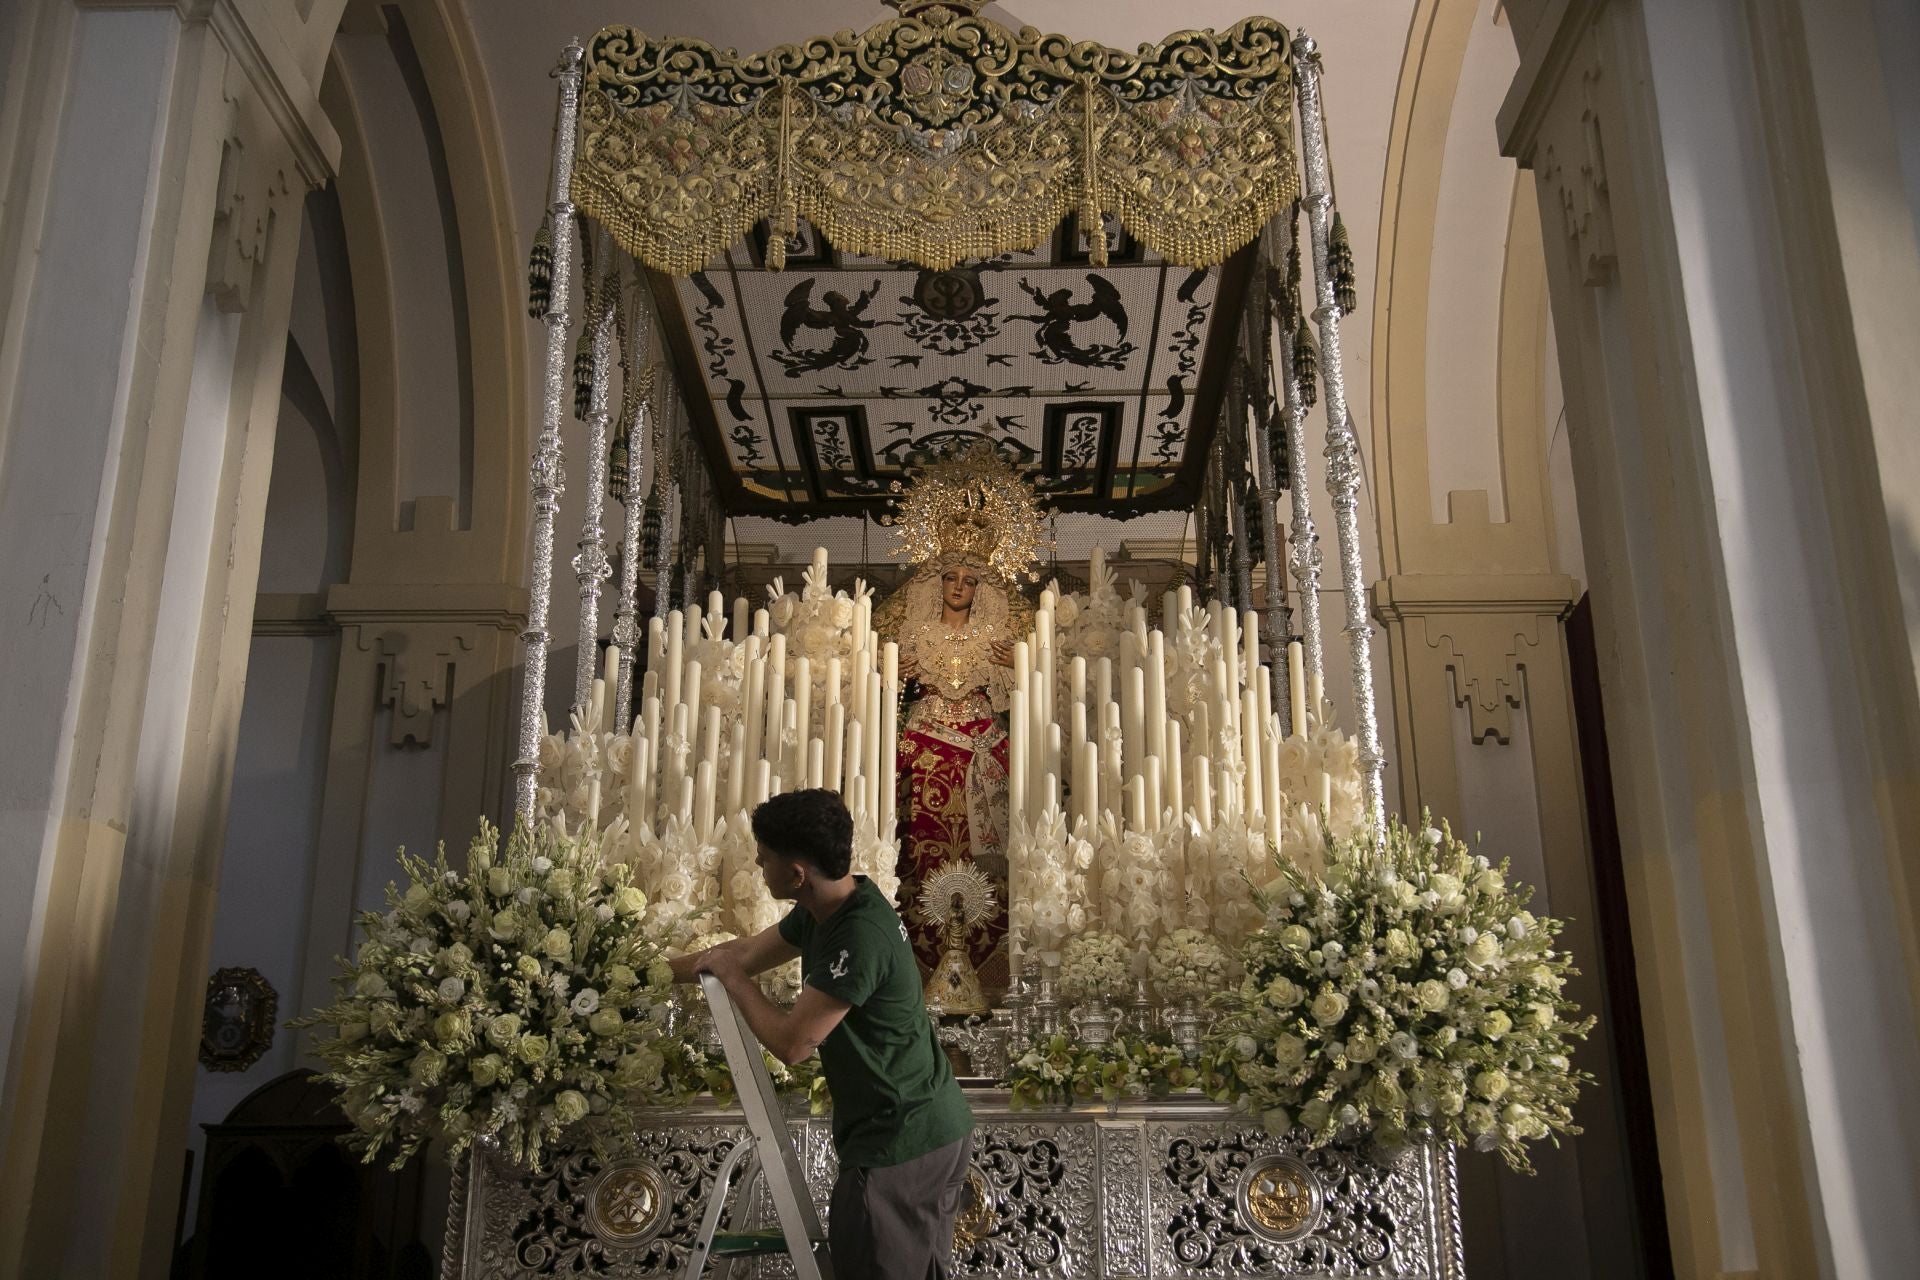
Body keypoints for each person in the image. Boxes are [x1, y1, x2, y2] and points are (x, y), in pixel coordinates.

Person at [673, 788, 975, 1279]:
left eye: (764, 855)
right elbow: (744, 952)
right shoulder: (829, 904)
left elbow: (794, 1044)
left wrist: (734, 982)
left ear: (797, 874)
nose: (756, 861)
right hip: (920, 1132)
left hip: (902, 1139)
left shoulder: (859, 936)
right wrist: (649, 972)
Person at [888, 561, 1017, 980]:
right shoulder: (914, 635)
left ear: (982, 589)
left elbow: (1023, 696)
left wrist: (1023, 663)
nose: (959, 586)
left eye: (970, 580)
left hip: (983, 746)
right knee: (917, 841)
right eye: (950, 577)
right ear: (936, 583)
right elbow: (891, 689)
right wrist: (889, 669)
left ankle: (987, 952)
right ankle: (919, 955)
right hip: (924, 746)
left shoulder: (997, 639)